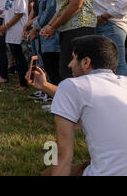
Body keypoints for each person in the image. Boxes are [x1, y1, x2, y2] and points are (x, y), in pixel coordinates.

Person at [30, 35, 127, 176]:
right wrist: (44, 86)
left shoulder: (71, 86)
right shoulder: (123, 83)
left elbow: (64, 155)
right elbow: (82, 96)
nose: (70, 64)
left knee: (48, 173)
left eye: (74, 58)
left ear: (86, 62)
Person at [0, 0, 29, 90]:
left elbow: (19, 13)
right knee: (16, 57)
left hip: (17, 30)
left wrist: (6, 26)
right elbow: (7, 12)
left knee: (20, 58)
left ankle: (24, 83)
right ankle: (21, 81)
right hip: (10, 30)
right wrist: (3, 26)